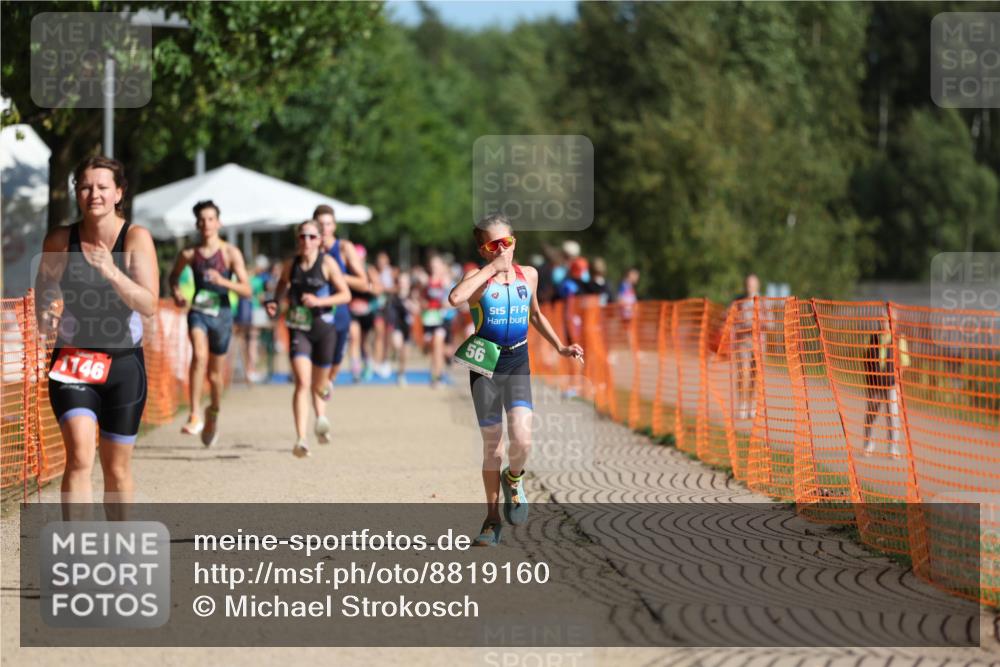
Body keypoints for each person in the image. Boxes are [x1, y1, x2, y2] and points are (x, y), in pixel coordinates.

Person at [448, 213, 584, 546]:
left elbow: (536, 314)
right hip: (486, 364)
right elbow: (455, 299)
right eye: (493, 245)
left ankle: (515, 478)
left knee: (522, 440)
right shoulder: (478, 278)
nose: (501, 250)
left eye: (506, 243)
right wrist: (490, 270)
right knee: (493, 447)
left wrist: (561, 346)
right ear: (483, 249)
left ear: (514, 242)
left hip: (518, 360)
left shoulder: (530, 276)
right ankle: (492, 520)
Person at [35, 156, 159, 515]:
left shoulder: (135, 238)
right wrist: (46, 311)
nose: (94, 194)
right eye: (86, 186)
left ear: (118, 193)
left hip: (123, 365)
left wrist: (112, 271)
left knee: (117, 469)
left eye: (103, 187)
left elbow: (149, 304)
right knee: (78, 456)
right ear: (77, 192)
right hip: (74, 362)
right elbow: (44, 284)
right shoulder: (60, 240)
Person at [169, 200, 253, 447]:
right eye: (202, 220)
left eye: (210, 219)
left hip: (223, 315)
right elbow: (173, 277)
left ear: (219, 222)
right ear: (197, 223)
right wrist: (176, 292)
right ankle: (195, 414)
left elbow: (247, 289)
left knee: (215, 376)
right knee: (199, 355)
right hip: (198, 311)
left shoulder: (230, 253)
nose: (206, 224)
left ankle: (212, 412)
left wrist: (223, 281)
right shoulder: (188, 254)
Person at [266, 220, 350, 457]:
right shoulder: (290, 264)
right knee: (302, 382)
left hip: (324, 328)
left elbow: (345, 294)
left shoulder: (328, 264)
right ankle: (301, 438)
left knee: (319, 384)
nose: (307, 241)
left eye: (312, 237)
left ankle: (321, 416)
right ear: (297, 239)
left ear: (320, 240)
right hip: (298, 327)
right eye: (302, 237)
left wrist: (319, 301)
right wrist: (275, 302)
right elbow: (282, 285)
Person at [316, 205, 369, 392]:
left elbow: (363, 282)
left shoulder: (344, 248)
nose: (324, 228)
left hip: (339, 311)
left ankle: (328, 382)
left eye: (328, 224)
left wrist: (337, 275)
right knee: (318, 361)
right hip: (315, 313)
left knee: (336, 360)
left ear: (334, 226)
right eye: (320, 224)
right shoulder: (308, 247)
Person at [862, 322, 908, 459]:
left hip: (891, 384)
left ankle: (893, 448)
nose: (884, 323)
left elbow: (904, 362)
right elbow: (865, 358)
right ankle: (868, 445)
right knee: (871, 414)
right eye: (882, 320)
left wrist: (898, 385)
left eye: (887, 321)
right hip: (874, 384)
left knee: (892, 415)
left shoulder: (898, 338)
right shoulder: (872, 337)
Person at [421, 254, 454, 388]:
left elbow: (453, 299)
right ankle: (435, 371)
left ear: (441, 266)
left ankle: (438, 376)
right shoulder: (427, 281)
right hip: (429, 318)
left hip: (443, 318)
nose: (434, 268)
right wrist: (424, 304)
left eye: (436, 265)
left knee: (437, 344)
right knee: (433, 348)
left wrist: (445, 304)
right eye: (432, 265)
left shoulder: (446, 281)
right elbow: (422, 298)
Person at [731, 273, 759, 420]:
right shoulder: (738, 301)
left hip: (758, 343)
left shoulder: (763, 301)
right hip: (742, 342)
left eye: (752, 284)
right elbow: (730, 318)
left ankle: (751, 404)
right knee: (743, 373)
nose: (750, 287)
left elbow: (771, 322)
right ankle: (741, 404)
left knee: (755, 375)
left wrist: (759, 323)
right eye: (748, 284)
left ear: (757, 286)